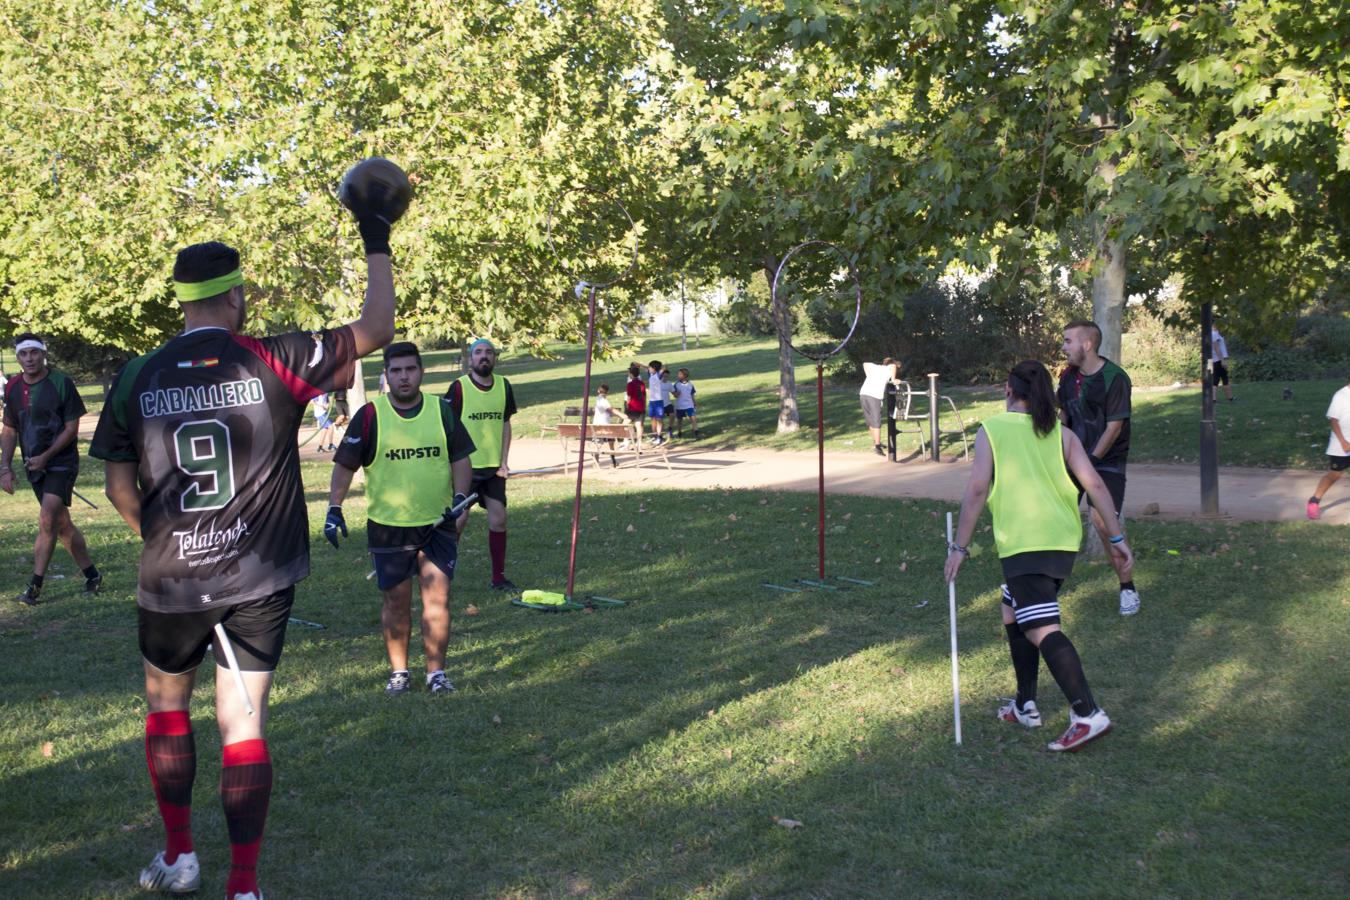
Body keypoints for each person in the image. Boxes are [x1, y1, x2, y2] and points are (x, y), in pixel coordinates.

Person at [90, 176, 398, 900]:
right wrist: (376, 232)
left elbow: (117, 488)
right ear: (237, 296)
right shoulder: (276, 357)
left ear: (184, 299)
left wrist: (156, 540)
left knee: (167, 708)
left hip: (171, 580)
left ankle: (179, 856)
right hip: (258, 577)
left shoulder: (137, 375)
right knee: (243, 722)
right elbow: (377, 327)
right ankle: (246, 887)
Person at [946, 360, 1131, 753]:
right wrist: (1115, 535)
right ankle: (1024, 704)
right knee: (1013, 608)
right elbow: (1094, 483)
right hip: (1061, 540)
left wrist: (959, 548)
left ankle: (1087, 713)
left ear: (1009, 392)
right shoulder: (1061, 434)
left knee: (1041, 627)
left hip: (1025, 542)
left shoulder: (992, 430)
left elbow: (978, 490)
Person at [325, 342, 473, 695]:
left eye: (410, 369)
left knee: (437, 599)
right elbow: (345, 465)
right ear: (386, 376)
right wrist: (334, 508)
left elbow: (460, 458)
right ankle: (400, 672)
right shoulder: (370, 415)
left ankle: (436, 674)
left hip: (437, 523)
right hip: (389, 526)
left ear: (421, 372)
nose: (404, 376)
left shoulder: (442, 410)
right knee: (396, 601)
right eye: (396, 370)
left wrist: (460, 500)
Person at [2, 333, 101, 605]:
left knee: (47, 519)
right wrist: (5, 468)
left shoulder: (61, 383)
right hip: (34, 465)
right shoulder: (11, 387)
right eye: (24, 354)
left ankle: (34, 587)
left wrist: (46, 456)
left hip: (61, 462)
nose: (29, 358)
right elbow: (9, 428)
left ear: (43, 354)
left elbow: (72, 428)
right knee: (62, 524)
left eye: (34, 352)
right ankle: (92, 575)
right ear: (18, 357)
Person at [1057, 320, 1139, 616]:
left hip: (1106, 464)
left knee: (1103, 522)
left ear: (1087, 345)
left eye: (1068, 341)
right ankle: (1041, 590)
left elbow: (1114, 427)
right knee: (1052, 518)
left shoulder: (1115, 378)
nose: (1064, 347)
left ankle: (1127, 588)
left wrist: (1088, 463)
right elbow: (1064, 417)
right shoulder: (1067, 377)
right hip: (1072, 459)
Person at [446, 339, 517, 591]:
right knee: (458, 521)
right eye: (478, 352)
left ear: (495, 357)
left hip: (493, 469)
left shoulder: (504, 386)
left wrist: (504, 461)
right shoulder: (459, 388)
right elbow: (447, 427)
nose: (483, 356)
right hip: (465, 468)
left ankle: (498, 578)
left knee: (499, 519)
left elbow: (505, 423)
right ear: (470, 359)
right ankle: (443, 572)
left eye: (488, 352)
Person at [1306, 373, 1350, 520]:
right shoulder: (1341, 396)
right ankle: (1314, 501)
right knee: (1335, 474)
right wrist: (1343, 441)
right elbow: (1333, 420)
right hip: (1341, 444)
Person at [859, 357, 900, 456]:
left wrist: (868, 375)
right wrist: (894, 379)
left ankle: (877, 442)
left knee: (870, 420)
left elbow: (865, 363)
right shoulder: (892, 366)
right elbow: (894, 371)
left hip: (863, 393)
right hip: (875, 396)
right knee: (876, 421)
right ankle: (877, 446)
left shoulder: (875, 367)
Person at [623, 363, 646, 448]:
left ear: (631, 374)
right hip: (640, 406)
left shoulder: (630, 384)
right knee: (638, 425)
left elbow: (629, 396)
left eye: (629, 373)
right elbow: (643, 394)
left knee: (625, 424)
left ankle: (627, 441)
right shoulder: (641, 383)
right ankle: (639, 443)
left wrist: (628, 405)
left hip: (633, 407)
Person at [672, 367, 700, 439]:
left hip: (689, 405)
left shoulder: (690, 384)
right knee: (679, 420)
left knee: (693, 418)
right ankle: (679, 433)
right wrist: (676, 394)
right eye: (678, 374)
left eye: (680, 374)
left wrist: (694, 403)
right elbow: (674, 395)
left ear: (685, 375)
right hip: (680, 406)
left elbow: (692, 395)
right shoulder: (676, 384)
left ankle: (696, 432)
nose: (678, 375)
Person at [1211, 324, 1234, 402]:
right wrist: (1222, 360)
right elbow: (1216, 348)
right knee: (1223, 377)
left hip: (1210, 360)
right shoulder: (1214, 334)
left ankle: (1213, 399)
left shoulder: (1210, 333)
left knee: (1214, 378)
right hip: (1217, 360)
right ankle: (1230, 397)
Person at [646, 359, 666, 445]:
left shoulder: (658, 375)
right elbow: (646, 369)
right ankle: (655, 436)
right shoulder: (651, 375)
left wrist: (660, 366)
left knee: (659, 420)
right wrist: (639, 364)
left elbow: (664, 368)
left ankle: (659, 436)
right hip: (652, 401)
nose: (648, 369)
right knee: (652, 419)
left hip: (658, 401)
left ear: (654, 368)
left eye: (650, 367)